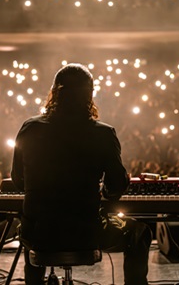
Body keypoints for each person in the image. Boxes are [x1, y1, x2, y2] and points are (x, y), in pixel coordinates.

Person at [11, 63, 152, 285]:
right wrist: (104, 191)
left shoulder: (30, 128)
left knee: (34, 226)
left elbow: (18, 182)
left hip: (38, 233)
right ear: (90, 95)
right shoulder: (103, 133)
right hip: (86, 233)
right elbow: (115, 187)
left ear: (54, 92)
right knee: (139, 232)